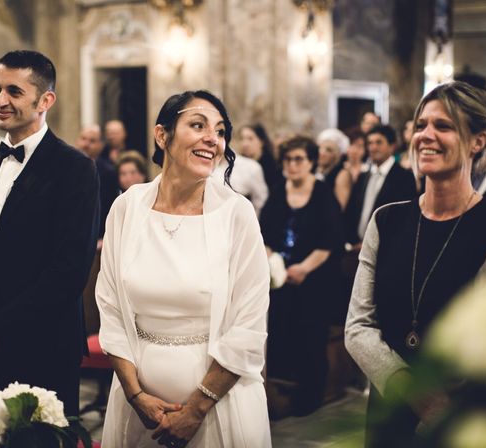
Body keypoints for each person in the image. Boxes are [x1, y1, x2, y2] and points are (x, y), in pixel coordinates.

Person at [345, 81, 486, 447]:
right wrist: (408, 389)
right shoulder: (386, 220)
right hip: (388, 410)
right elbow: (358, 325)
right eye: (422, 124)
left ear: (478, 140)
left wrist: (440, 410)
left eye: (443, 126)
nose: (426, 135)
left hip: (458, 419)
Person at [96, 90, 271, 447]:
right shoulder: (127, 207)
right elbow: (110, 307)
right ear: (162, 135)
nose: (213, 139)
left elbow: (248, 326)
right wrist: (134, 395)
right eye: (198, 125)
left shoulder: (236, 215)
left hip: (218, 407)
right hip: (137, 406)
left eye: (220, 131)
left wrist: (195, 409)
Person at [0, 50, 99, 424]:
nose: (0, 101)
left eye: (13, 91)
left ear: (45, 100)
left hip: (41, 348)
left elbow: (68, 270)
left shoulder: (75, 168)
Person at [260, 135, 343, 417]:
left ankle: (310, 397)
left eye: (299, 159)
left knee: (310, 337)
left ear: (310, 162)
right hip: (280, 278)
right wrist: (274, 261)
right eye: (288, 159)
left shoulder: (322, 193)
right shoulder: (277, 190)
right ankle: (282, 395)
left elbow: (329, 241)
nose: (292, 165)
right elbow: (265, 232)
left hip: (315, 279)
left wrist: (303, 268)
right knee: (281, 334)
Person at [76, 123, 118, 246]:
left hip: (96, 237)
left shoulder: (108, 172)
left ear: (100, 145)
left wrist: (103, 236)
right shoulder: (67, 167)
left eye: (92, 141)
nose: (86, 144)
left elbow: (109, 206)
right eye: (83, 139)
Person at [239, 122, 283, 191]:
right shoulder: (238, 165)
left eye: (250, 139)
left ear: (262, 142)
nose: (245, 144)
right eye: (242, 139)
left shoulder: (273, 168)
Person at [317, 128, 353, 210]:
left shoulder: (342, 174)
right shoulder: (317, 170)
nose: (321, 153)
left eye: (328, 150)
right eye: (320, 148)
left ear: (337, 155)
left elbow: (339, 208)